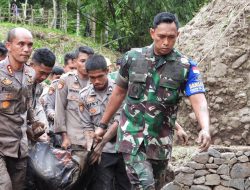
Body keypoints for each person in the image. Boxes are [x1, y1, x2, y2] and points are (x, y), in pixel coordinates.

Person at [96, 12, 211, 190]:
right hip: (132, 137)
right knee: (144, 185)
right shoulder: (132, 58)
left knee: (154, 185)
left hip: (161, 142)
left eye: (171, 37)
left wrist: (205, 128)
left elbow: (198, 98)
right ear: (152, 33)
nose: (166, 42)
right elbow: (118, 93)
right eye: (161, 36)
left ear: (178, 35)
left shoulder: (186, 66)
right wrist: (102, 125)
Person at [0, 27, 45, 190]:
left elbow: (27, 102)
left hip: (20, 146)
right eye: (21, 44)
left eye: (30, 45)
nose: (26, 49)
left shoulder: (30, 74)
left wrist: (34, 122)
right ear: (9, 46)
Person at [79, 54, 131, 190]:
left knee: (125, 185)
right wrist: (92, 146)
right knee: (103, 186)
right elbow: (86, 126)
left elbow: (120, 119)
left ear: (107, 71)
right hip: (102, 153)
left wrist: (101, 143)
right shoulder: (84, 95)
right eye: (92, 77)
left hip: (123, 147)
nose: (96, 81)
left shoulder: (120, 90)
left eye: (100, 76)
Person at [54, 46, 94, 188]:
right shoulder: (66, 80)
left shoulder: (96, 81)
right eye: (82, 61)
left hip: (92, 143)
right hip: (73, 142)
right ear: (75, 61)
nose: (85, 64)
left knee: (89, 182)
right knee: (69, 182)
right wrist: (64, 136)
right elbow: (59, 110)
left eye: (89, 61)